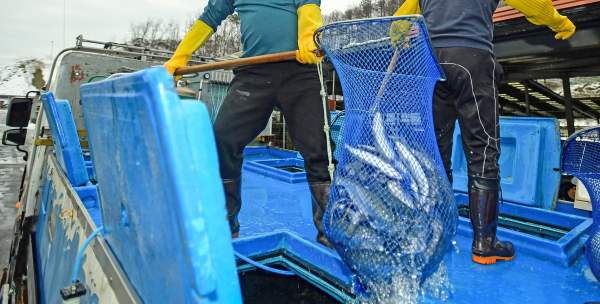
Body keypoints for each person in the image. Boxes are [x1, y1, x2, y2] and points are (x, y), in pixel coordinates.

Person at [393, 0, 576, 264]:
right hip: (472, 58)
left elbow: (400, 20)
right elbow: (533, 4)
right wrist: (560, 23)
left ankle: (434, 233)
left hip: (431, 61)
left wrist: (399, 37)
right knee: (483, 147)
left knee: (435, 148)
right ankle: (485, 244)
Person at [164, 0, 333, 247]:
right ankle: (226, 223)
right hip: (253, 72)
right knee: (223, 140)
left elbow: (308, 4)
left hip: (300, 69)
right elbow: (211, 17)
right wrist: (181, 55)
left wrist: (308, 37)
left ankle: (329, 232)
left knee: (319, 150)